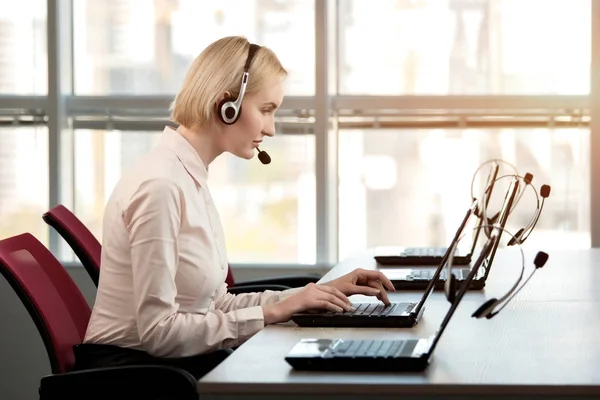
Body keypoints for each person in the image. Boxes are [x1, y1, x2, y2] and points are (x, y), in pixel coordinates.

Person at [73, 36, 395, 379]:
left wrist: (309, 295)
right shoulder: (161, 186)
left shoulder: (188, 176)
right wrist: (275, 312)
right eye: (266, 110)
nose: (270, 128)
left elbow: (213, 306)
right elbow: (160, 334)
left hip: (169, 365)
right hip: (138, 376)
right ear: (227, 104)